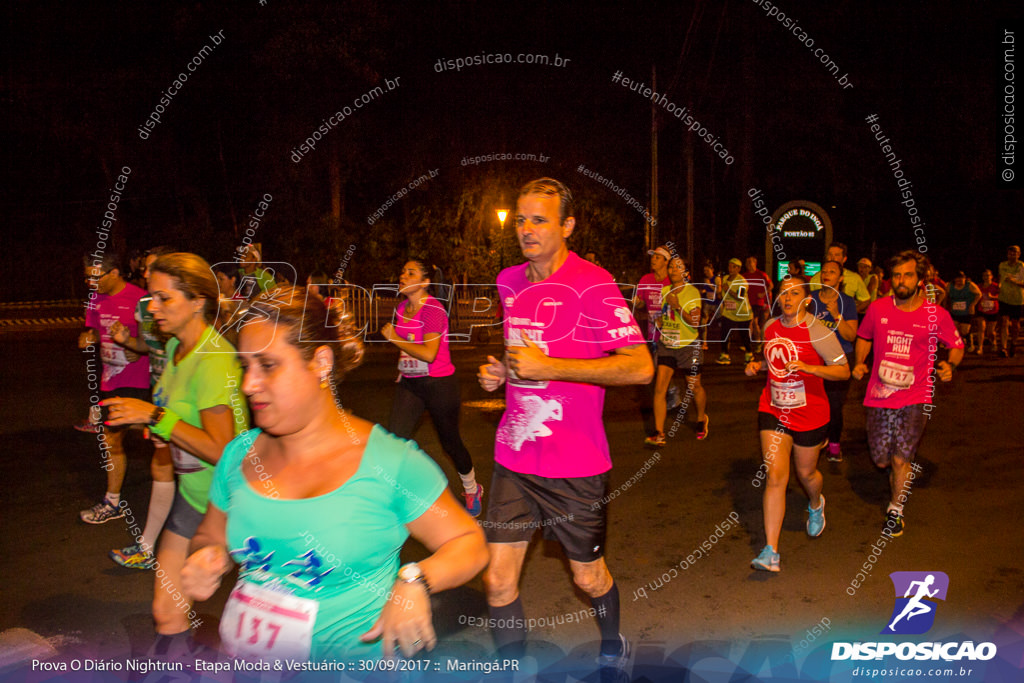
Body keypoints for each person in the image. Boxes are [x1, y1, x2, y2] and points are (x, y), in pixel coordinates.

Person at [181, 286, 488, 661]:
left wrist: (416, 582)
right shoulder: (239, 455)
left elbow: (468, 543)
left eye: (268, 365)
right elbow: (210, 534)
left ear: (320, 363)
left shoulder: (389, 463)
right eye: (246, 367)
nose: (248, 384)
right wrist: (206, 556)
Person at [477, 178, 652, 669]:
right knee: (497, 580)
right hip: (515, 455)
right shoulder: (508, 281)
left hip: (575, 464)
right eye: (521, 219)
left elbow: (640, 366)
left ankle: (613, 646)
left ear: (567, 225)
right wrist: (504, 372)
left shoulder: (593, 284)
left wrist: (548, 367)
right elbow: (526, 358)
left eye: (540, 220)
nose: (527, 230)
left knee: (588, 578)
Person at [101, 252, 249, 659]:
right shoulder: (174, 350)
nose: (153, 308)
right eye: (151, 298)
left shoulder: (213, 360)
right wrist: (156, 430)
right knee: (167, 614)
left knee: (264, 637)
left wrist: (155, 416)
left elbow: (224, 452)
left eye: (165, 299)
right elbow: (177, 424)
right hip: (190, 499)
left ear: (198, 300)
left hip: (230, 507)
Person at [852, 251, 964, 537]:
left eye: (908, 275)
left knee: (901, 458)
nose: (901, 281)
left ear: (919, 279)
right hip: (879, 395)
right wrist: (860, 363)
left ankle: (896, 509)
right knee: (881, 460)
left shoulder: (935, 315)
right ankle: (899, 471)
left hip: (916, 396)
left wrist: (949, 364)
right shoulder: (878, 309)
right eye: (897, 275)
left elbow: (956, 344)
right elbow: (864, 336)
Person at [745, 275, 849, 572]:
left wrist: (809, 367)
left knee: (806, 474)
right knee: (776, 475)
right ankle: (770, 551)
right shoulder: (770, 326)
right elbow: (773, 360)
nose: (787, 298)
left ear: (806, 300)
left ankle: (816, 503)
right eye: (783, 293)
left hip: (810, 413)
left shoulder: (818, 332)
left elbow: (843, 371)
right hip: (774, 408)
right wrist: (758, 365)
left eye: (794, 293)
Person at [381, 259, 483, 516]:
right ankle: (396, 496)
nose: (403, 275)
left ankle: (472, 488)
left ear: (425, 282)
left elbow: (428, 353)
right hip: (410, 383)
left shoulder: (433, 310)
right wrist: (401, 367)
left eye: (410, 272)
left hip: (439, 384)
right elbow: (408, 344)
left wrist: (393, 337)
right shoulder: (402, 307)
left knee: (450, 443)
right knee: (395, 440)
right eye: (403, 270)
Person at [107, 245, 176, 568]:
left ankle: (150, 547)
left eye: (152, 268)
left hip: (182, 394)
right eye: (145, 268)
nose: (145, 274)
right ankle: (150, 548)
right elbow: (146, 346)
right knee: (165, 464)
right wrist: (126, 342)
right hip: (161, 393)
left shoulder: (184, 307)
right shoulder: (145, 306)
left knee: (181, 467)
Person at [78, 251, 151, 524]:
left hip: (137, 379)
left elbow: (155, 339)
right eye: (86, 278)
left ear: (114, 273)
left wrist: (138, 349)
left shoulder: (140, 298)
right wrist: (89, 337)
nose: (89, 283)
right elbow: (95, 332)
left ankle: (113, 501)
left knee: (115, 436)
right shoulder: (94, 300)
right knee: (114, 438)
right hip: (110, 378)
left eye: (94, 278)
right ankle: (113, 499)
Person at [646, 256, 708, 447]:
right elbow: (665, 316)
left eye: (678, 267)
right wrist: (660, 321)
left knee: (694, 386)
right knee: (660, 388)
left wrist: (677, 306)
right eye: (671, 267)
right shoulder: (664, 291)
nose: (673, 270)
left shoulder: (692, 292)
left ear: (685, 273)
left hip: (688, 346)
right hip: (667, 345)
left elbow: (695, 322)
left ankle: (701, 419)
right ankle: (659, 433)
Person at [808, 261, 858, 462]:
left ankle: (834, 443)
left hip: (840, 360)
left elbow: (851, 335)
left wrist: (836, 314)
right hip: (814, 358)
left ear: (841, 277)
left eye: (832, 272)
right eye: (824, 271)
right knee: (814, 402)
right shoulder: (809, 299)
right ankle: (815, 439)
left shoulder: (847, 302)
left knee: (834, 405)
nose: (827, 274)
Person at [634, 245, 679, 425]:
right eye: (653, 257)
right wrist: (634, 303)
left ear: (666, 262)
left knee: (662, 366)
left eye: (658, 257)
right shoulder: (646, 279)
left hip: (670, 332)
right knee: (656, 367)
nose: (653, 260)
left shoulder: (671, 281)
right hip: (651, 332)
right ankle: (672, 390)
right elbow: (639, 303)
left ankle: (667, 397)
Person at [809, 243, 871, 314]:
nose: (832, 258)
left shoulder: (854, 278)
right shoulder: (816, 277)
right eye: (830, 254)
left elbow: (866, 300)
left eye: (836, 255)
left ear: (844, 259)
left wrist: (850, 313)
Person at [716, 258, 753, 364]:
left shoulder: (742, 281)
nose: (730, 268)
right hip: (728, 312)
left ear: (738, 268)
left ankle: (749, 354)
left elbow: (740, 297)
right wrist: (719, 291)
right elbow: (722, 295)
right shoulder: (726, 278)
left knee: (744, 335)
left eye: (733, 266)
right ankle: (724, 355)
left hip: (742, 313)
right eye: (729, 266)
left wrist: (728, 290)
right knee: (724, 333)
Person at [740, 256, 773, 351]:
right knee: (749, 323)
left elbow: (771, 285)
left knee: (754, 322)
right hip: (747, 302)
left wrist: (763, 294)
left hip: (758, 302)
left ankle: (758, 342)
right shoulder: (744, 276)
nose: (748, 264)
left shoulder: (761, 274)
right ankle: (748, 343)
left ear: (755, 263)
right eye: (747, 262)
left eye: (750, 262)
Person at [997, 245, 1024, 357]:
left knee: (1015, 324)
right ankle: (1003, 347)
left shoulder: (1021, 266)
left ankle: (1013, 343)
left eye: (1015, 253)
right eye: (1010, 253)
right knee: (1003, 321)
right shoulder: (1002, 265)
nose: (1012, 255)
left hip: (1017, 299)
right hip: (1004, 298)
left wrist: (1013, 281)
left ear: (1019, 254)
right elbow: (1000, 278)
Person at [945, 271, 981, 353]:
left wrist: (973, 304)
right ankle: (958, 345)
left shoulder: (969, 285)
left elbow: (979, 294)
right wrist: (946, 307)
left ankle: (969, 341)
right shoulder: (949, 286)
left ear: (965, 279)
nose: (959, 281)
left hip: (967, 311)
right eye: (957, 279)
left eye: (961, 279)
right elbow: (946, 297)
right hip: (954, 311)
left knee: (965, 331)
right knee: (955, 330)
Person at [974, 269, 1000, 355]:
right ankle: (980, 347)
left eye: (988, 275)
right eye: (985, 275)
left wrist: (993, 297)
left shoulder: (996, 286)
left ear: (992, 276)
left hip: (993, 311)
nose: (986, 277)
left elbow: (1002, 297)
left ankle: (994, 342)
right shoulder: (979, 286)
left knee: (990, 332)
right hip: (982, 310)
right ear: (982, 277)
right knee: (981, 328)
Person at [696, 262, 721, 351]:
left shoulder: (717, 279)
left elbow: (718, 291)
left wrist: (710, 284)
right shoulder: (705, 280)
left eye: (707, 270)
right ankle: (704, 342)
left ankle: (723, 342)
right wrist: (702, 291)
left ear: (712, 270)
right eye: (704, 271)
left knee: (721, 323)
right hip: (707, 303)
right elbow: (705, 290)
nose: (705, 272)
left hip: (716, 304)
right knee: (703, 323)